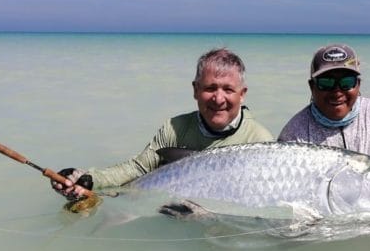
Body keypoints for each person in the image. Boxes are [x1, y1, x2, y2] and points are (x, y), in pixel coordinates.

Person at [53, 48, 273, 200]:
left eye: (228, 89)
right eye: (210, 88)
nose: (218, 98)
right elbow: (138, 168)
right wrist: (90, 179)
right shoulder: (175, 128)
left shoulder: (260, 141)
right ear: (195, 90)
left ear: (242, 94)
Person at [278, 43, 370, 167]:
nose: (337, 92)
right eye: (326, 83)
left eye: (347, 82)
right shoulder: (294, 133)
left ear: (358, 84)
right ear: (312, 87)